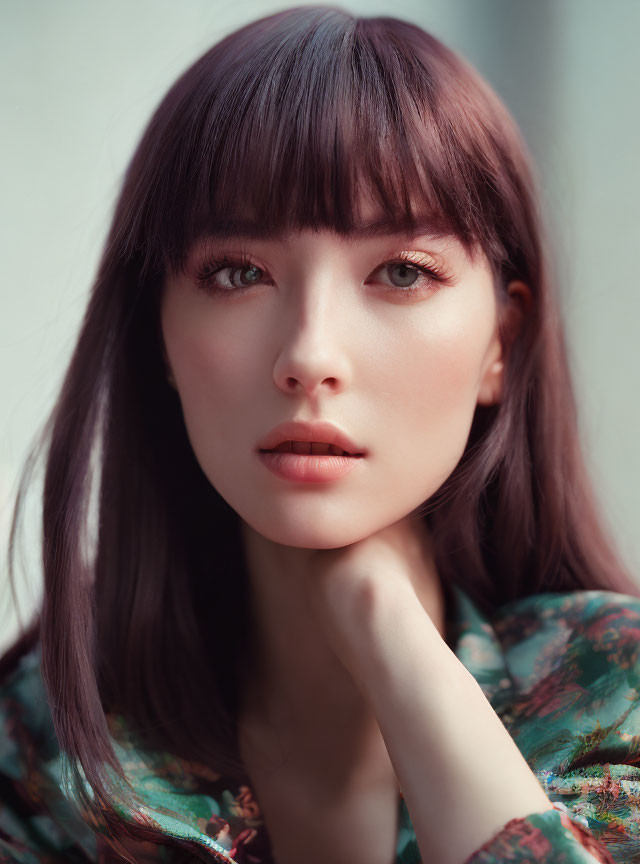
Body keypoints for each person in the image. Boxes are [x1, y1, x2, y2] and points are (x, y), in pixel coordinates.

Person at [1, 5, 639, 863]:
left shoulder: (614, 694)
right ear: (157, 332)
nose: (309, 356)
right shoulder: (46, 746)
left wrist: (386, 624)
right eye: (238, 272)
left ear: (500, 342)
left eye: (402, 272)